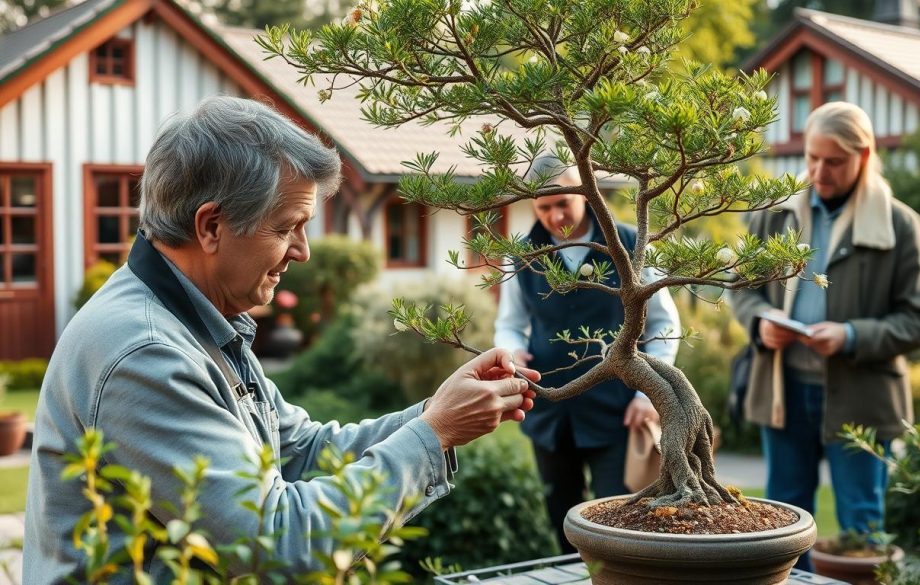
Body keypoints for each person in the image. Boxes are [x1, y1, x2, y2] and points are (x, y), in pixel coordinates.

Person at [24, 96, 538, 582]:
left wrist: (437, 412)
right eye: (288, 227)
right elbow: (276, 542)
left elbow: (304, 449)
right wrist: (434, 434)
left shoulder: (196, 321)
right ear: (211, 226)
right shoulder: (146, 354)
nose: (304, 252)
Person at [730, 101, 920, 571]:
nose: (818, 171)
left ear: (864, 156)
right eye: (812, 157)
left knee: (861, 530)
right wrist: (760, 323)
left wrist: (851, 335)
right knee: (784, 523)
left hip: (863, 401)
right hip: (783, 393)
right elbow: (741, 291)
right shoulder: (774, 215)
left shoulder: (901, 224)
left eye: (833, 161)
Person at [494, 155, 681, 553]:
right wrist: (511, 350)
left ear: (583, 192)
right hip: (549, 408)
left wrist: (648, 394)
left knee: (620, 521)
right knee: (561, 518)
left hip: (618, 408)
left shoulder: (630, 244)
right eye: (543, 207)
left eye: (563, 202)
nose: (555, 215)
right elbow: (510, 322)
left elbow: (664, 323)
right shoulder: (522, 254)